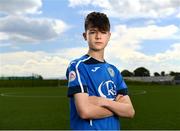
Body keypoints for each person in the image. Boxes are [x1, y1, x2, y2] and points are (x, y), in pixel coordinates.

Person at [66, 11, 135, 130]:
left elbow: (130, 111)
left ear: (109, 36)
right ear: (85, 36)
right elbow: (85, 112)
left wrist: (103, 101)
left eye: (103, 32)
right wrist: (117, 107)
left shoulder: (114, 71)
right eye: (93, 32)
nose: (98, 36)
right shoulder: (78, 66)